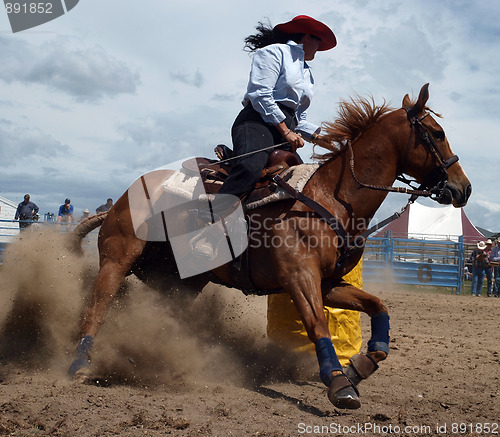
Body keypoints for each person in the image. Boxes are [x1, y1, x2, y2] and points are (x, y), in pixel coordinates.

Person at [193, 15, 337, 256]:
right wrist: (286, 131)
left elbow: (298, 116)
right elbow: (260, 95)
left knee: (299, 185)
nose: (319, 49)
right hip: (255, 122)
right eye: (318, 42)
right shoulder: (273, 52)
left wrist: (321, 137)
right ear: (306, 37)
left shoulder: (307, 72)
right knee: (250, 168)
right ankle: (207, 231)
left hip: (283, 129)